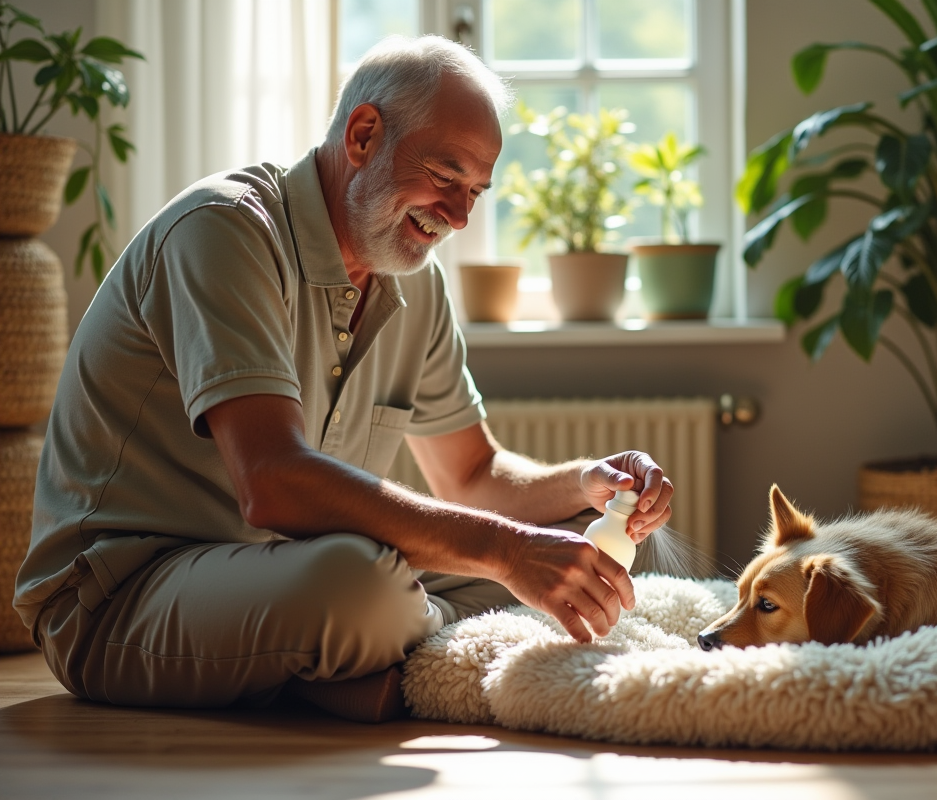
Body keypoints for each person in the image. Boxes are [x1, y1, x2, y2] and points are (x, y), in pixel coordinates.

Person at [14, 35, 673, 716]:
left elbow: (473, 475)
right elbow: (272, 482)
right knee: (361, 588)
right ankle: (399, 659)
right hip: (121, 596)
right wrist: (504, 553)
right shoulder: (226, 230)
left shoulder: (418, 284)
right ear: (363, 135)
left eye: (475, 191)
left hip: (286, 573)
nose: (459, 216)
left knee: (593, 547)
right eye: (446, 177)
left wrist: (592, 485)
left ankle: (365, 664)